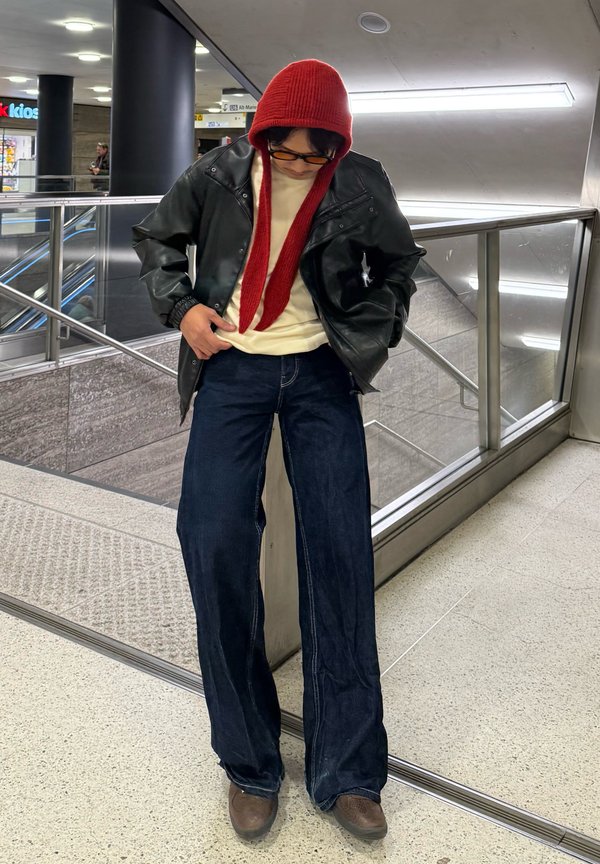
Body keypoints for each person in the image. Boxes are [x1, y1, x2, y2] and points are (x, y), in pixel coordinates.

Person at [132, 59, 425, 842]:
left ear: (336, 146)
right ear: (262, 136)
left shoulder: (359, 181)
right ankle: (249, 762)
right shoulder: (219, 173)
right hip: (232, 367)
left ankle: (350, 770)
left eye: (314, 155)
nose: (299, 167)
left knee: (338, 554)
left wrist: (368, 330)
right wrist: (184, 309)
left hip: (322, 372)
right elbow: (157, 239)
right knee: (216, 542)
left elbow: (401, 265)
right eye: (286, 152)